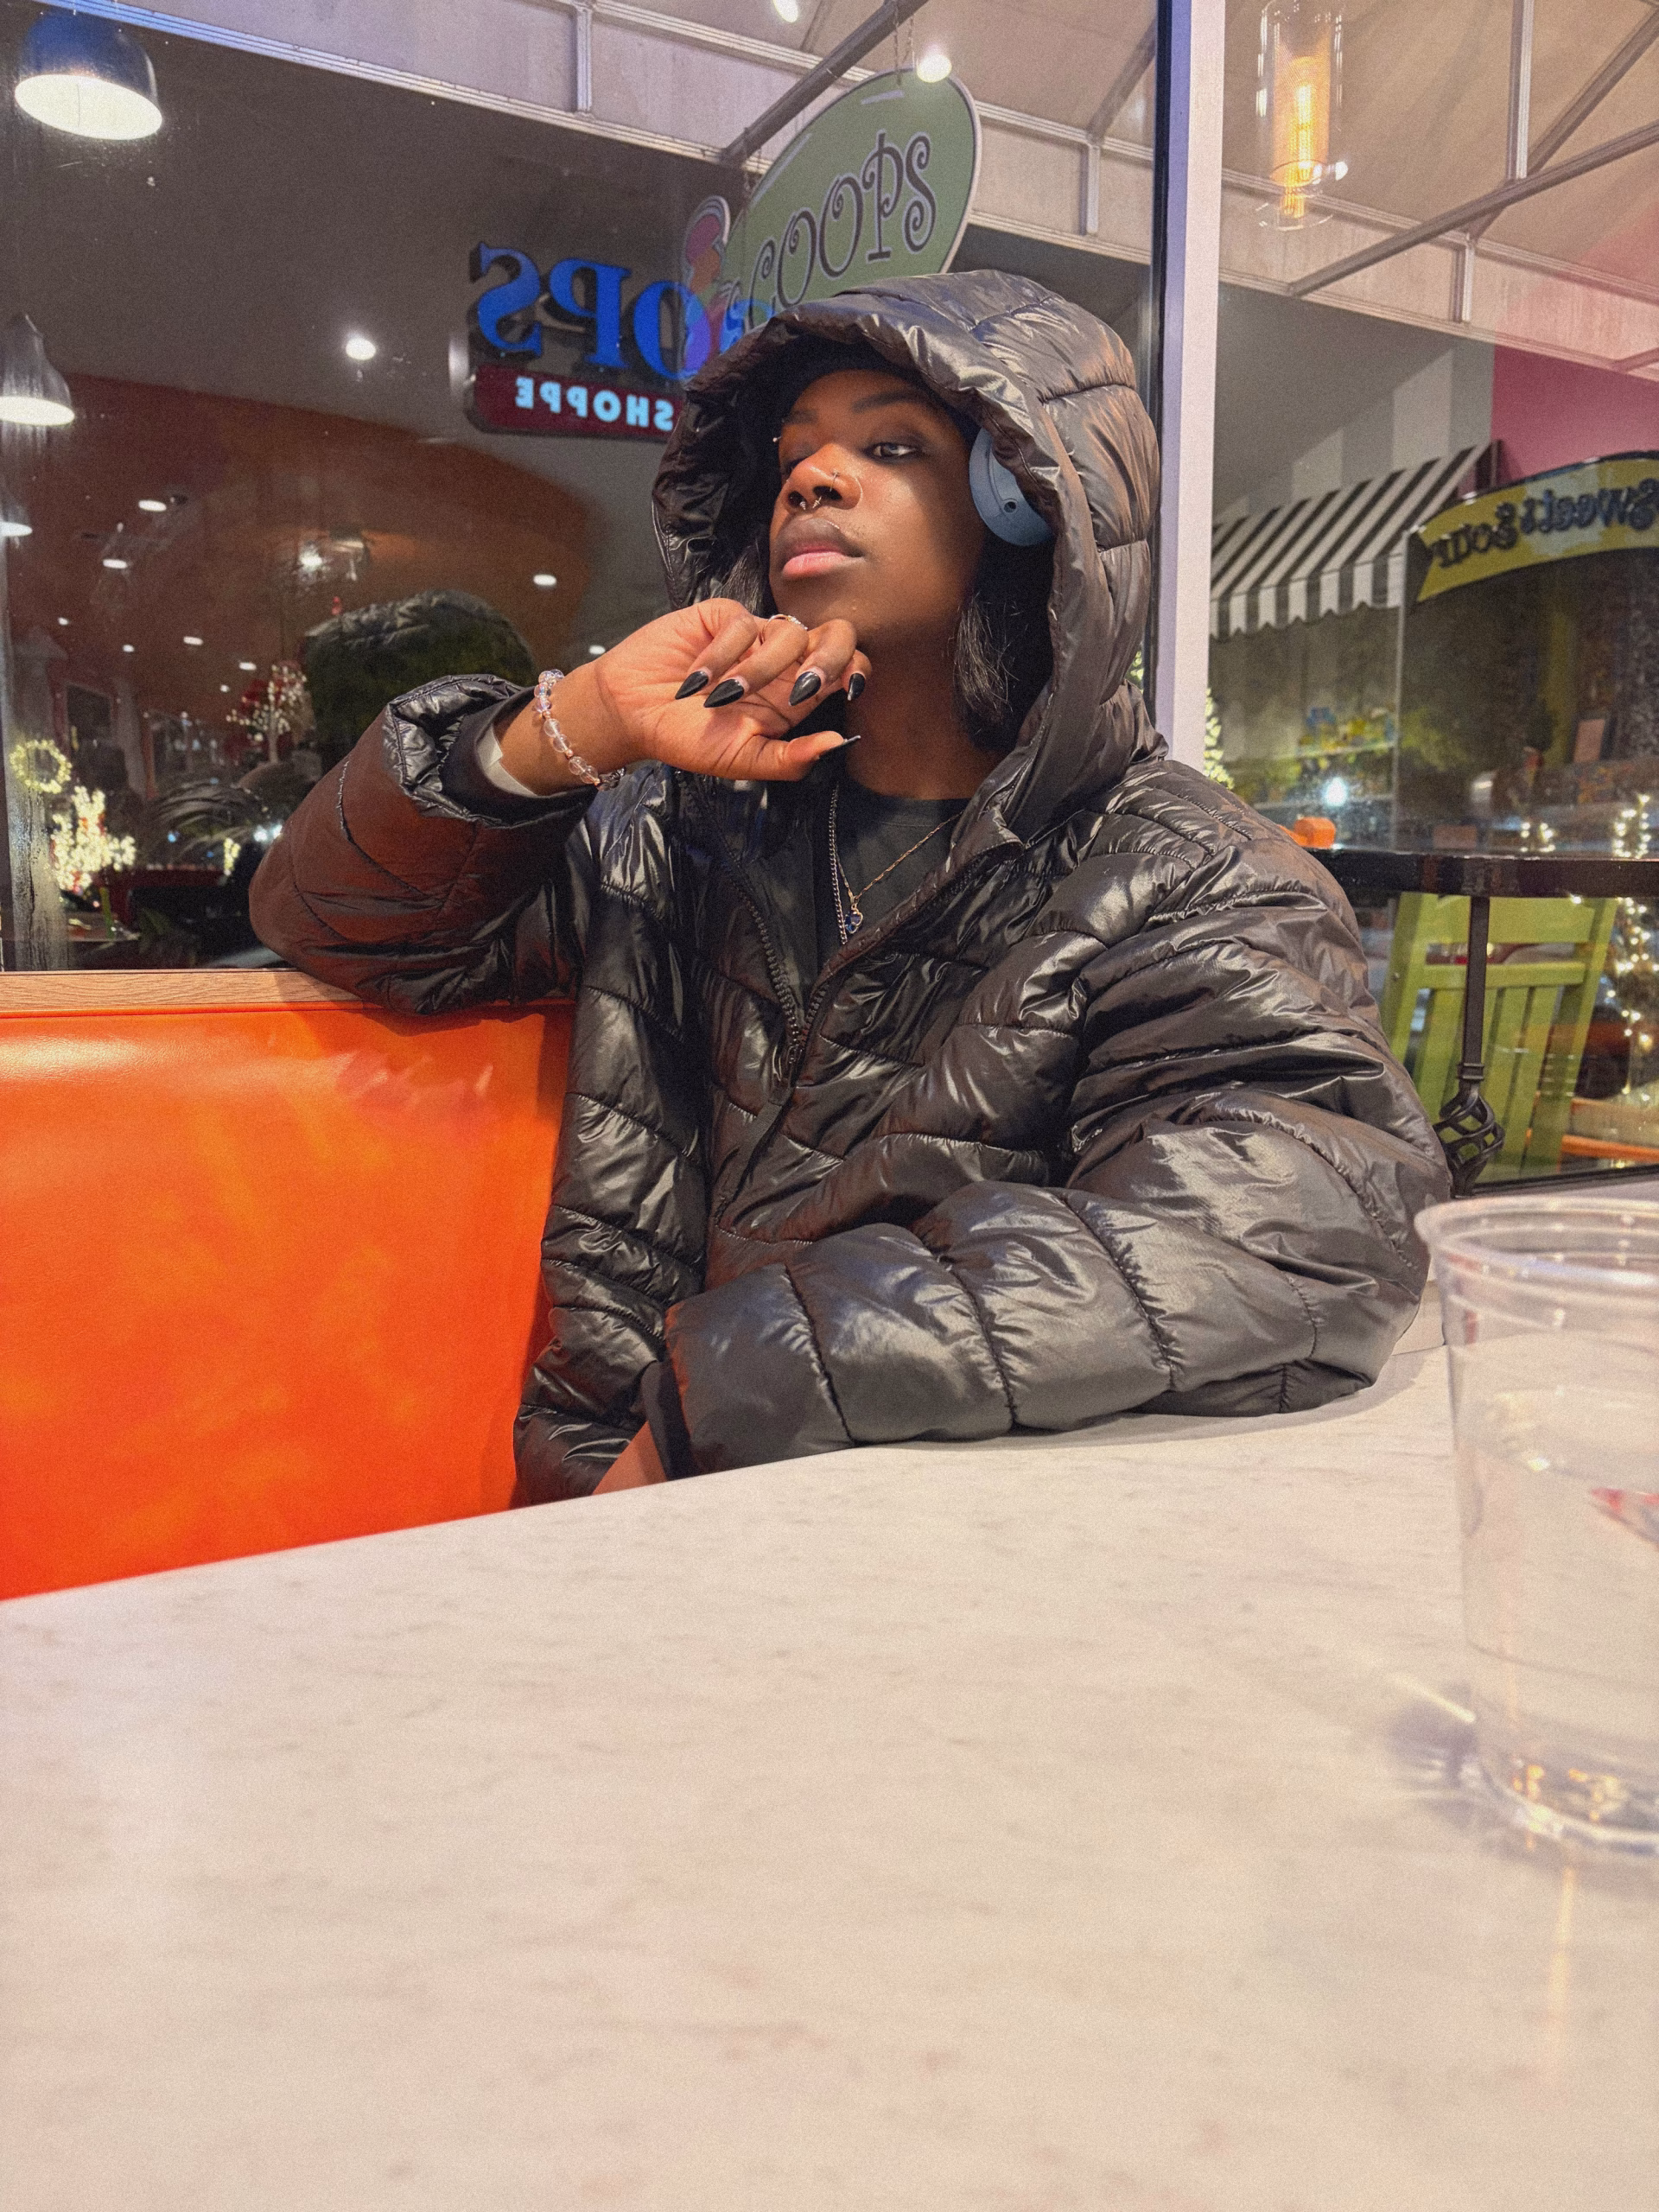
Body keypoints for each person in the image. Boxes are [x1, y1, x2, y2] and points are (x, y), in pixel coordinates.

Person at [251, 270, 1450, 1501]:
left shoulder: (1189, 874)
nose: (811, 480)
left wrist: (720, 1402)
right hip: (610, 1526)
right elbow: (340, 922)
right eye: (793, 455)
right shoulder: (676, 823)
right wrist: (579, 722)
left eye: (890, 446)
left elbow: (1301, 1225)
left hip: (928, 1552)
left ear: (1029, 504)